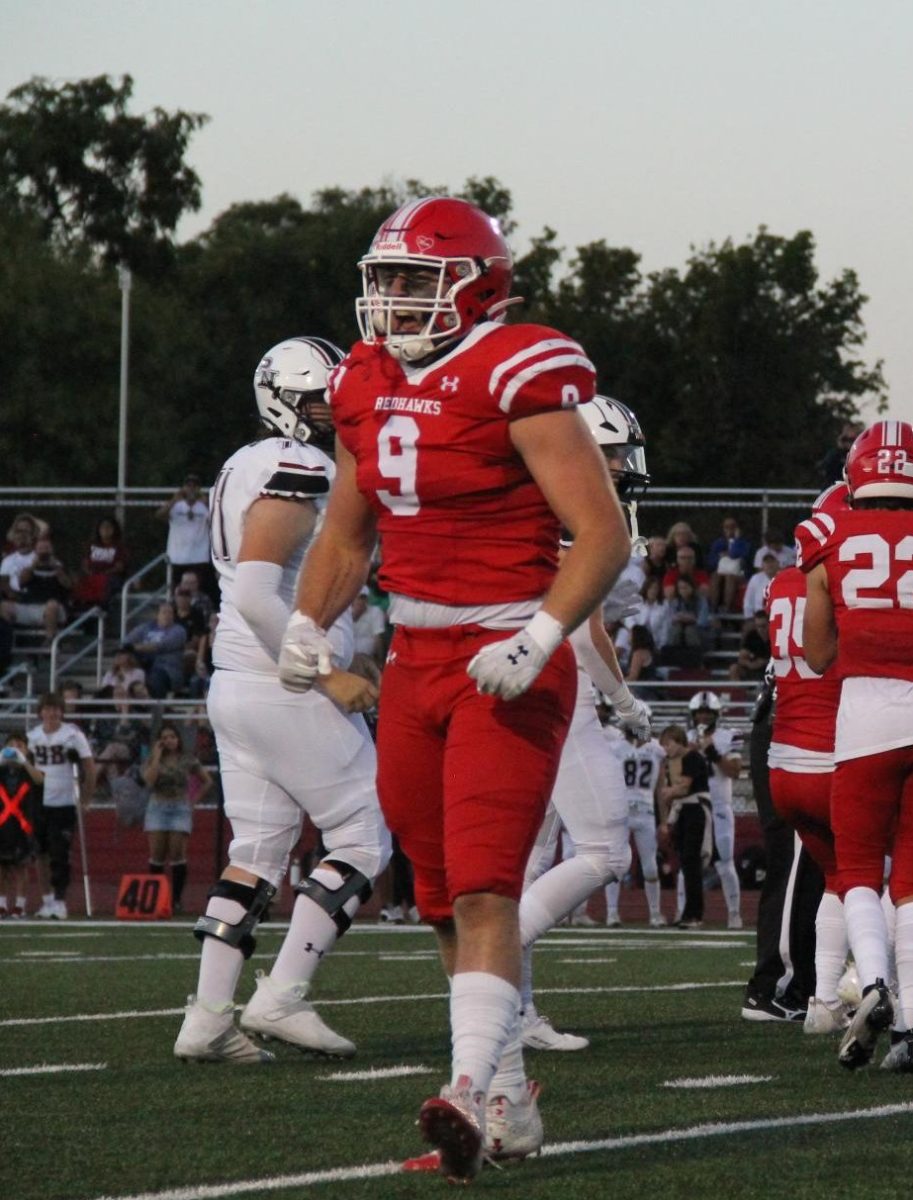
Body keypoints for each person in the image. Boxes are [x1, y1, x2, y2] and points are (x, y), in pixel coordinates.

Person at [277, 196, 630, 1181]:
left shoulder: (522, 369)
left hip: (503, 654)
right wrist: (311, 621)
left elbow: (603, 534)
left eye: (411, 279)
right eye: (383, 278)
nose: (390, 298)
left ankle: (467, 1088)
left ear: (476, 284)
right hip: (416, 660)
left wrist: (540, 633)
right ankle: (509, 1095)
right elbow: (348, 533)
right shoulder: (362, 381)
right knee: (434, 896)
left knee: (482, 883)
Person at [175, 334, 392, 1066]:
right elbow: (257, 592)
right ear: (282, 401)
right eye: (315, 402)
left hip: (241, 682)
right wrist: (325, 675)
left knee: (258, 853)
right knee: (365, 834)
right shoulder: (294, 463)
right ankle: (283, 996)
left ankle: (207, 1018)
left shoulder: (249, 460)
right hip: (278, 683)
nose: (328, 416)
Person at [514, 396, 652, 1054]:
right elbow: (584, 628)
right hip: (559, 693)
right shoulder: (572, 517)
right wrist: (625, 703)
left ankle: (514, 1009)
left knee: (534, 857)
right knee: (603, 852)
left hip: (536, 690)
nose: (626, 468)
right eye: (617, 455)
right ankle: (496, 950)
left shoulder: (545, 510)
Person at [802, 420, 913, 1070]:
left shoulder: (828, 535)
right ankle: (908, 1030)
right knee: (912, 878)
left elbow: (817, 654)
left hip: (865, 711)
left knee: (854, 871)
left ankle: (872, 983)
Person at [765, 494, 848, 1032]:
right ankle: (871, 987)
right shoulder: (843, 586)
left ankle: (821, 1002)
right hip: (835, 757)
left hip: (783, 758)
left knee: (841, 879)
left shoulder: (779, 585)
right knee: (879, 879)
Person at [28, 692, 96, 920]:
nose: (52, 713)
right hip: (39, 801)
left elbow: (89, 768)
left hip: (64, 801)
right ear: (41, 712)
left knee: (60, 853)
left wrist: (85, 798)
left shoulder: (73, 735)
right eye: (48, 709)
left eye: (56, 709)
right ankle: (46, 900)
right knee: (41, 853)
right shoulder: (33, 736)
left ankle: (59, 900)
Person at [141, 721, 213, 913]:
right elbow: (148, 780)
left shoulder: (187, 759)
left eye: (172, 737)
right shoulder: (152, 759)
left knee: (177, 853)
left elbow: (207, 780)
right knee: (157, 853)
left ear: (178, 739)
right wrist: (156, 756)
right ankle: (155, 898)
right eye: (164, 738)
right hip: (158, 805)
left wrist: (193, 801)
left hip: (180, 806)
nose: (169, 741)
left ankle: (176, 900)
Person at [687, 691, 743, 928]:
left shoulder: (728, 735)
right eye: (699, 713)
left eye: (707, 713)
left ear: (717, 715)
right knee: (689, 862)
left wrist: (712, 753)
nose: (703, 717)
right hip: (694, 805)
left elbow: (735, 771)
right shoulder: (686, 737)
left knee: (725, 862)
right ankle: (686, 912)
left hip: (719, 806)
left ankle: (734, 914)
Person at [605, 721, 668, 927]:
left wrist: (664, 819)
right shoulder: (615, 747)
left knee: (650, 866)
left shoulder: (656, 749)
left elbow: (660, 788)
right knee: (615, 865)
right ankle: (612, 913)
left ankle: (655, 913)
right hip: (620, 812)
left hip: (646, 812)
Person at [657, 725, 712, 928]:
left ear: (679, 741)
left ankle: (694, 913)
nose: (667, 749)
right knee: (686, 862)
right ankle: (688, 911)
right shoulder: (671, 761)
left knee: (691, 861)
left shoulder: (692, 758)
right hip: (682, 811)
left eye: (669, 744)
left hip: (694, 809)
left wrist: (669, 792)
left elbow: (684, 787)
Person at [0, 731, 43, 917]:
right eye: (12, 746)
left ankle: (19, 905)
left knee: (20, 867)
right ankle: (1, 904)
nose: (15, 750)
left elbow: (40, 779)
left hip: (23, 825)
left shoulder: (29, 769)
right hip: (2, 824)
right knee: (1, 867)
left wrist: (24, 762)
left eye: (20, 746)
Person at [2, 533, 71, 641]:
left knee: (51, 605)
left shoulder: (60, 566)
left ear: (52, 550)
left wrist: (56, 567)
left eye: (46, 548)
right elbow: (21, 581)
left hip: (54, 608)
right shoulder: (29, 567)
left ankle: (50, 641)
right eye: (41, 548)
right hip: (30, 606)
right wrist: (33, 565)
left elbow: (68, 584)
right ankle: (8, 643)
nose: (44, 551)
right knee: (3, 606)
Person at [156, 472, 213, 599]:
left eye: (194, 486)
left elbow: (217, 520)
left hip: (199, 557)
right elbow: (159, 515)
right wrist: (173, 500)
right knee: (177, 591)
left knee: (199, 592)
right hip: (177, 557)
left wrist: (207, 503)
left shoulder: (204, 507)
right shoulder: (176, 506)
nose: (191, 489)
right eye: (188, 486)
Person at [126, 601, 187, 698]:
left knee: (155, 678)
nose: (167, 615)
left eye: (170, 613)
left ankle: (156, 710)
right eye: (164, 612)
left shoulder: (179, 630)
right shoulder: (146, 627)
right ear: (157, 615)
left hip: (167, 670)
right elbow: (126, 642)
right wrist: (130, 648)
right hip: (142, 664)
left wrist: (135, 647)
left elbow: (161, 646)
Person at [72, 515, 127, 610]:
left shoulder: (119, 547)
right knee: (81, 581)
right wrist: (89, 572)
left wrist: (104, 573)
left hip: (110, 577)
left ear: (114, 529)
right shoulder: (91, 545)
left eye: (109, 527)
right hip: (91, 575)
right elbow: (85, 563)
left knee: (106, 582)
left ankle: (101, 607)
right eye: (103, 527)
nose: (105, 530)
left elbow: (120, 567)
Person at [707, 515, 752, 613]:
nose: (729, 530)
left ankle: (726, 608)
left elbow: (735, 554)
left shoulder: (744, 543)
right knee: (714, 576)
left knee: (730, 578)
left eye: (732, 527)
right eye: (726, 527)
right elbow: (711, 562)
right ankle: (712, 608)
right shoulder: (718, 543)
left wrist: (736, 540)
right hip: (721, 572)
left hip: (739, 573)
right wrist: (720, 556)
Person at [816, 421, 864, 487]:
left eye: (851, 440)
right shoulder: (835, 454)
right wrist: (839, 449)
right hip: (834, 486)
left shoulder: (859, 455)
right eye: (846, 439)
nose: (848, 443)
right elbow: (825, 468)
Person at [728, 609, 771, 681]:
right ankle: (737, 692)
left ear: (769, 623)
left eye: (763, 626)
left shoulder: (776, 636)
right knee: (734, 668)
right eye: (758, 626)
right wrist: (751, 664)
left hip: (772, 669)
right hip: (754, 669)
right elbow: (741, 658)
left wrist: (764, 662)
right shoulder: (751, 636)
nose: (760, 629)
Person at [742, 551, 781, 619]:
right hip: (758, 617)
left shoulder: (783, 578)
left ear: (778, 563)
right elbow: (748, 601)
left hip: (778, 616)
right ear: (762, 565)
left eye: (772, 561)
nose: (769, 565)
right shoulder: (755, 579)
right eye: (767, 562)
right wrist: (749, 617)